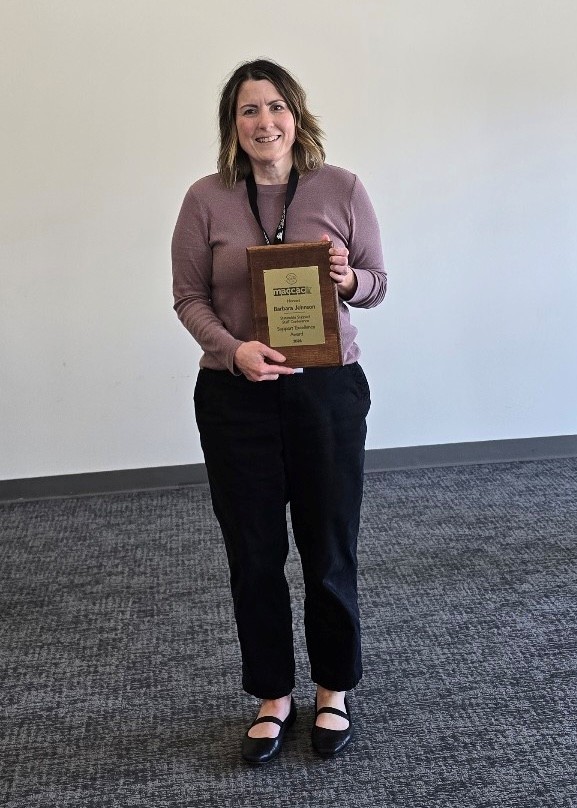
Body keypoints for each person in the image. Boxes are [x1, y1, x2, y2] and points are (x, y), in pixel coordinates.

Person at [172, 59, 386, 764]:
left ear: (296, 115)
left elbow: (377, 283)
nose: (264, 122)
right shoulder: (205, 198)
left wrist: (347, 278)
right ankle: (272, 695)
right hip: (236, 397)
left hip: (327, 395)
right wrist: (233, 351)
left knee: (329, 549)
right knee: (255, 554)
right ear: (232, 125)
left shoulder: (341, 187)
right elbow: (189, 298)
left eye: (275, 107)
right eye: (248, 110)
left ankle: (333, 688)